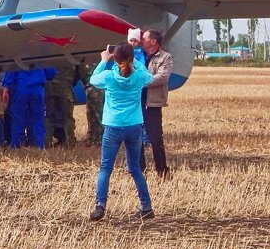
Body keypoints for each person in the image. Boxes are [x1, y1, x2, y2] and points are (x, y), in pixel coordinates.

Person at [89, 42, 155, 221]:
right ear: (131, 58)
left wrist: (104, 60)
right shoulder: (139, 76)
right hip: (134, 125)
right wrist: (136, 62)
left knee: (105, 168)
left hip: (113, 126)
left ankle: (100, 206)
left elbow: (93, 80)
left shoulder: (109, 77)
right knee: (135, 168)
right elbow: (150, 77)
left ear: (115, 58)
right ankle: (146, 206)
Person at [140, 28, 174, 178]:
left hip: (152, 103)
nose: (141, 41)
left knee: (155, 138)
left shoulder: (166, 57)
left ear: (153, 41)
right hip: (136, 102)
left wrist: (140, 82)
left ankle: (162, 170)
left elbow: (162, 77)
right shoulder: (138, 55)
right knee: (136, 138)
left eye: (144, 39)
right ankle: (139, 170)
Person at [2, 67, 57, 148]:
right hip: (38, 89)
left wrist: (6, 87)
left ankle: (17, 147)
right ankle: (38, 147)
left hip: (21, 87)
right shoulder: (43, 53)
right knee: (38, 120)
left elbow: (12, 68)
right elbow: (51, 72)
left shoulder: (16, 53)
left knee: (18, 119)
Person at [44, 60, 78, 146]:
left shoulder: (48, 53)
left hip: (49, 88)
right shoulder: (69, 56)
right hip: (65, 88)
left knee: (48, 117)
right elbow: (76, 74)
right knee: (68, 117)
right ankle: (70, 142)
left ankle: (46, 142)